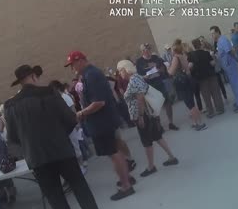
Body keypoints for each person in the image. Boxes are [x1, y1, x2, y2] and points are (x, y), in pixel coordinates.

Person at [4, 64, 109, 209]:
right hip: (61, 150)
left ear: (20, 82)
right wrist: (60, 136)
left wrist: (27, 151)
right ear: (33, 77)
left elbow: (13, 138)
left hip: (36, 157)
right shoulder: (49, 92)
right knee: (79, 186)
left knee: (53, 194)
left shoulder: (10, 106)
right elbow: (69, 119)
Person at [65, 52, 136, 200]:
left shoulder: (92, 75)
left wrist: (81, 113)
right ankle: (127, 178)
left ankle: (126, 186)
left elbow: (99, 102)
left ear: (81, 61)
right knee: (115, 150)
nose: (72, 68)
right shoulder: (88, 75)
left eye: (73, 64)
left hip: (102, 122)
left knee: (113, 153)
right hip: (103, 121)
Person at [118, 60, 179, 177]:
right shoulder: (137, 77)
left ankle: (151, 166)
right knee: (157, 136)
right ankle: (171, 157)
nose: (119, 74)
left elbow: (140, 98)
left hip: (143, 115)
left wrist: (140, 116)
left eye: (120, 70)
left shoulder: (133, 80)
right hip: (148, 113)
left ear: (125, 69)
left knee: (146, 141)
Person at [136, 43, 179, 131]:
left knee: (167, 103)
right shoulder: (139, 62)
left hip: (160, 83)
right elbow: (139, 76)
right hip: (150, 87)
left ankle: (171, 123)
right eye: (145, 50)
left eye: (148, 49)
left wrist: (161, 70)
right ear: (142, 52)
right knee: (155, 107)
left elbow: (164, 67)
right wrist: (145, 77)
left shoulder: (156, 58)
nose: (147, 51)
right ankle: (159, 126)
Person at [49, 80, 88, 174]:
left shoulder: (65, 97)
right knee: (72, 147)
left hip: (72, 125)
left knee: (76, 146)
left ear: (57, 88)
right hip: (65, 127)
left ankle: (81, 165)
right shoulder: (57, 99)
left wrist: (77, 123)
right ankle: (79, 165)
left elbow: (73, 110)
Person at [168, 39, 207, 131]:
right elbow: (187, 69)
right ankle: (195, 122)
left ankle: (199, 123)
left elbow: (171, 72)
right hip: (188, 80)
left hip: (182, 82)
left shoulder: (175, 58)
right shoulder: (183, 56)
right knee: (191, 102)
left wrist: (167, 69)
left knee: (190, 104)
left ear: (174, 49)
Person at [210, 25, 238, 113]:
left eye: (213, 33)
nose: (212, 35)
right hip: (227, 66)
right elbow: (221, 54)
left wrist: (237, 60)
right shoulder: (219, 42)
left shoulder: (223, 40)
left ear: (218, 32)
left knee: (236, 84)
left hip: (230, 64)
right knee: (233, 85)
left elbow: (230, 51)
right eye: (211, 34)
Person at [188, 38, 225, 118]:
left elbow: (190, 66)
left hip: (201, 78)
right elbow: (213, 63)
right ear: (200, 45)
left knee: (206, 96)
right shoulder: (206, 53)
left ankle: (211, 112)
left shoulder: (191, 55)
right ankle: (220, 109)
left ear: (193, 46)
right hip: (211, 75)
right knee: (216, 92)